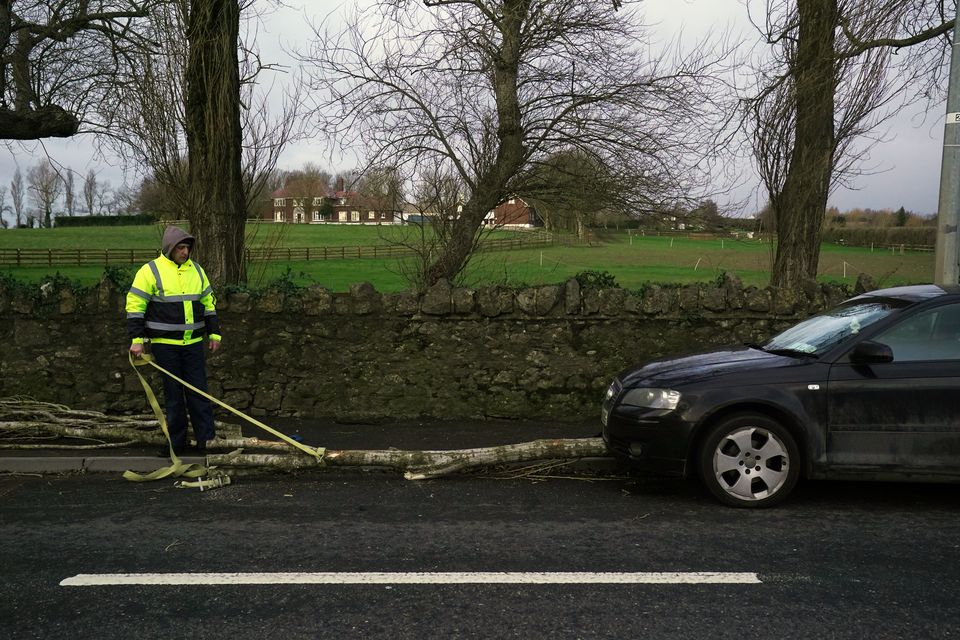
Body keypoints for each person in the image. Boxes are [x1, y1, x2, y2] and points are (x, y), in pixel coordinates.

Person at [126, 225, 222, 458]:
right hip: (165, 345)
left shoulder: (197, 271)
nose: (185, 252)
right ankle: (177, 445)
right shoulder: (150, 271)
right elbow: (135, 307)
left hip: (193, 344)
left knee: (199, 393)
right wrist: (137, 340)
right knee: (173, 397)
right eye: (181, 247)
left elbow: (208, 303)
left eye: (187, 247)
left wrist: (214, 334)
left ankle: (206, 443)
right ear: (170, 248)